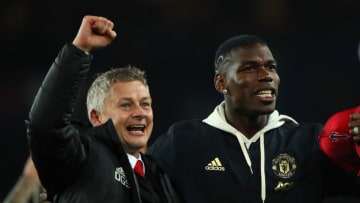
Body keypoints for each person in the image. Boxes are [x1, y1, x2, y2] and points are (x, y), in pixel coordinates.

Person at [147, 34, 360, 203]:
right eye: (249, 68)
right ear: (221, 83)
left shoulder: (308, 143)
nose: (266, 75)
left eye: (271, 67)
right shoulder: (183, 143)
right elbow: (131, 190)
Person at [25, 15, 179, 203]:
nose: (140, 113)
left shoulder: (161, 177)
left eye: (145, 104)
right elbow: (44, 124)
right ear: (96, 117)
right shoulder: (80, 157)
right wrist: (79, 50)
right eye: (126, 105)